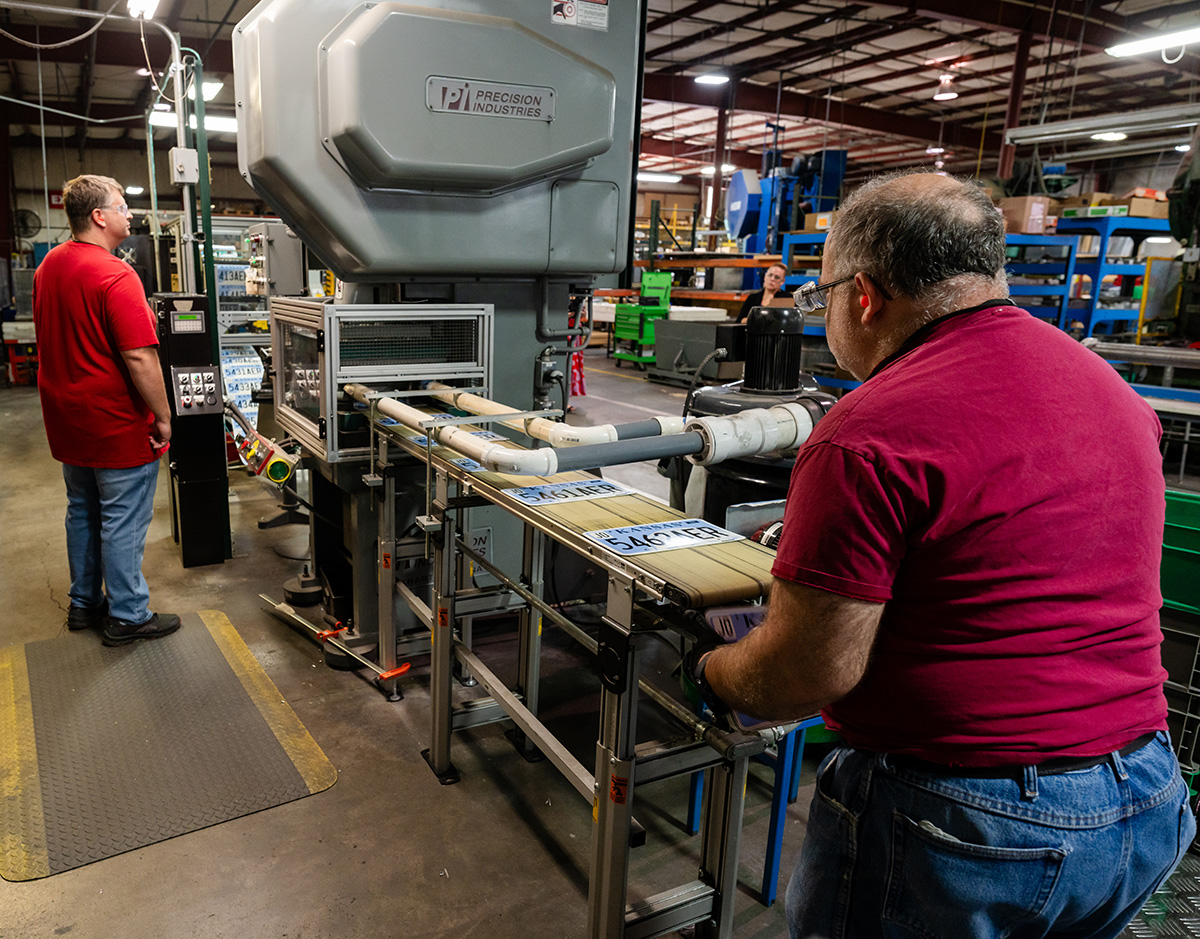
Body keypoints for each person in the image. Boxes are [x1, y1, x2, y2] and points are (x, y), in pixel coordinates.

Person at [687, 170, 1194, 939]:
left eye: (819, 295)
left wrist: (710, 668)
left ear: (864, 294)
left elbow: (804, 676)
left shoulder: (868, 431)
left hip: (970, 828)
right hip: (1146, 801)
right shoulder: (1112, 392)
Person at [33, 174, 181, 647]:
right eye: (122, 205)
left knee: (82, 510)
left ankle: (84, 604)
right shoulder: (116, 275)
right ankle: (128, 614)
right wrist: (162, 415)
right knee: (122, 517)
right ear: (99, 216)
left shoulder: (48, 267)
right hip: (113, 420)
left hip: (66, 418)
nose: (129, 213)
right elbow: (140, 356)